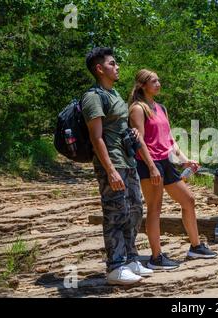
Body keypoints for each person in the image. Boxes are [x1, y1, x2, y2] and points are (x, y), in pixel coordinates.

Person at [128, 69, 217, 270]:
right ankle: (156, 257)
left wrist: (185, 160)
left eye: (159, 80)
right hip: (149, 163)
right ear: (142, 85)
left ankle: (196, 247)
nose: (158, 83)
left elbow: (169, 140)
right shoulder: (138, 109)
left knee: (189, 200)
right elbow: (139, 141)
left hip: (166, 162)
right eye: (154, 81)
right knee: (155, 209)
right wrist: (151, 167)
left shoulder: (161, 108)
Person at [82, 47, 152, 285]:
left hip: (128, 161)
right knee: (115, 214)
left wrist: (131, 133)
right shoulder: (93, 96)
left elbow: (119, 130)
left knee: (134, 211)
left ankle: (131, 258)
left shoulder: (115, 94)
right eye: (112, 63)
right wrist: (110, 170)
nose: (118, 66)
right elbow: (96, 137)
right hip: (111, 163)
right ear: (99, 69)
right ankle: (115, 266)